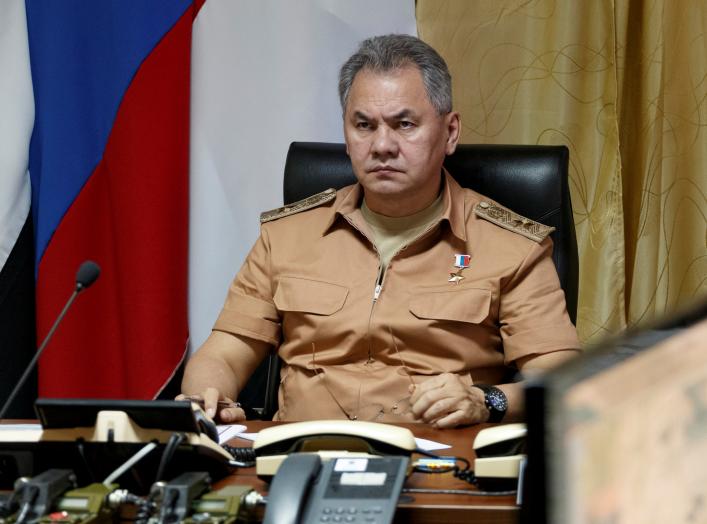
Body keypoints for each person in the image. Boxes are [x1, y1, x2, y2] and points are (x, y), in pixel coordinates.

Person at [180, 34, 581, 428]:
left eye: (404, 124)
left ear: (450, 132)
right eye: (364, 125)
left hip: (438, 470)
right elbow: (223, 355)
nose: (382, 145)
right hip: (296, 464)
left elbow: (561, 379)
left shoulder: (512, 246)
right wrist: (206, 400)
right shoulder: (286, 236)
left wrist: (485, 400)